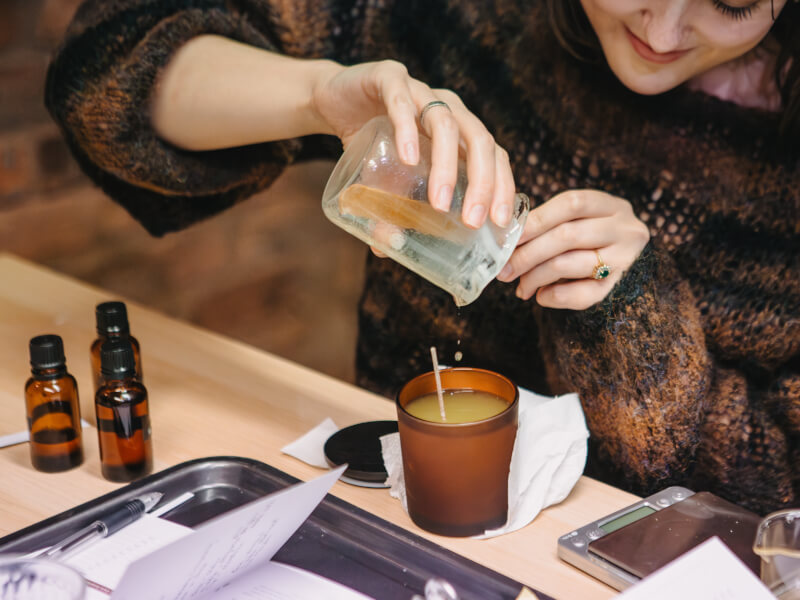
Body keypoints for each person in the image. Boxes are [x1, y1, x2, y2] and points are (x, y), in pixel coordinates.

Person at [45, 0, 799, 514]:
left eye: (731, 3)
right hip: (382, 518)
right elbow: (110, 72)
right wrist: (318, 95)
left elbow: (776, 502)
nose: (663, 29)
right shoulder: (465, 15)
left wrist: (636, 316)